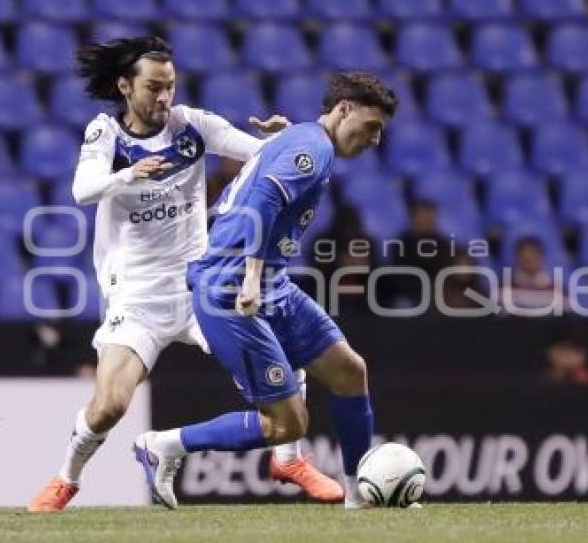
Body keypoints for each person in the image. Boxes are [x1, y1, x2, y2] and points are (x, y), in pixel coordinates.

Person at [27, 37, 341, 512]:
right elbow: (82, 190)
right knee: (110, 406)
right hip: (137, 295)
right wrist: (128, 177)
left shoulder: (191, 125)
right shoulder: (106, 134)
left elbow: (259, 154)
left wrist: (286, 137)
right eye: (153, 87)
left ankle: (288, 459)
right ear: (124, 86)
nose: (163, 98)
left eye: (169, 87)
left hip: (201, 284)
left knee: (286, 346)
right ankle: (66, 478)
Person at [133, 71, 399, 510]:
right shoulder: (312, 148)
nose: (375, 140)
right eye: (372, 127)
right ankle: (163, 445)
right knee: (286, 425)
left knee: (350, 372)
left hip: (271, 280)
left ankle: (358, 495)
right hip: (230, 285)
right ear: (344, 110)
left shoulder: (308, 140)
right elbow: (264, 202)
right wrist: (252, 275)